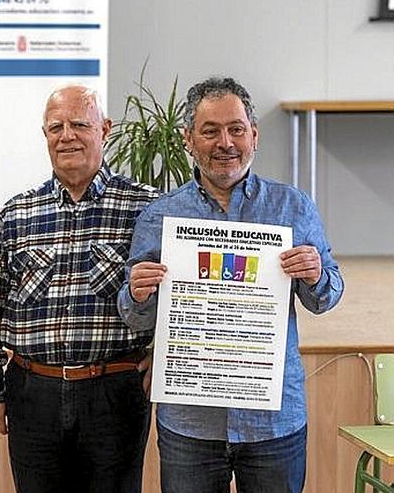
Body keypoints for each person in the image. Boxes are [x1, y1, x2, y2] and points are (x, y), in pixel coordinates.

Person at [118, 77, 344, 493]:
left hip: (273, 421)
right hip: (190, 423)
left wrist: (314, 274)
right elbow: (135, 315)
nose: (225, 142)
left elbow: (328, 293)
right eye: (210, 131)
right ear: (188, 139)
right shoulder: (160, 216)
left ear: (253, 136)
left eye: (236, 129)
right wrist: (135, 291)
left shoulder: (293, 207)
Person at [0, 85, 159, 493]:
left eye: (79, 124)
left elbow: (178, 293)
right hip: (31, 393)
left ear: (105, 129)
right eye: (55, 127)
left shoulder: (147, 209)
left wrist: (163, 354)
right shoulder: (14, 215)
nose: (67, 136)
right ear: (45, 135)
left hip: (114, 393)